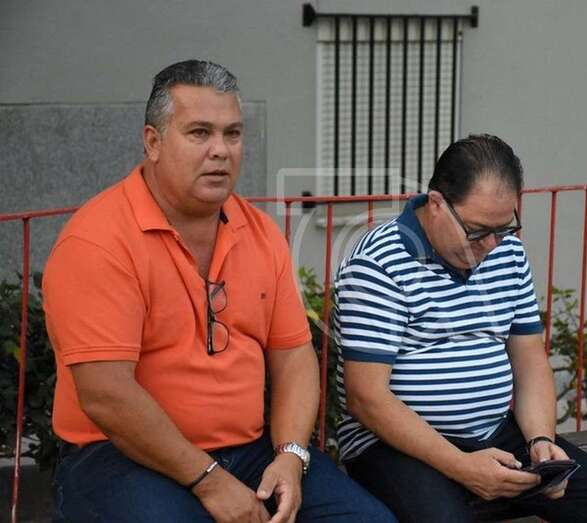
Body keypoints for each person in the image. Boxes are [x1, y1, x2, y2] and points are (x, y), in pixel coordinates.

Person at [43, 59, 395, 523]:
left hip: (248, 450)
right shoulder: (98, 240)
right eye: (199, 133)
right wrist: (209, 481)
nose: (221, 151)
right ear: (153, 142)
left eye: (232, 134)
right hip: (118, 456)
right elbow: (106, 394)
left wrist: (291, 455)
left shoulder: (261, 232)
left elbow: (294, 355)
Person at [332, 134, 587, 522]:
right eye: (477, 230)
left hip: (493, 432)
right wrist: (463, 467)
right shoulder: (378, 263)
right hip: (393, 445)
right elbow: (366, 398)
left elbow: (530, 360)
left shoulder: (507, 252)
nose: (490, 244)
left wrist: (540, 441)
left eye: (503, 228)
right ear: (436, 204)